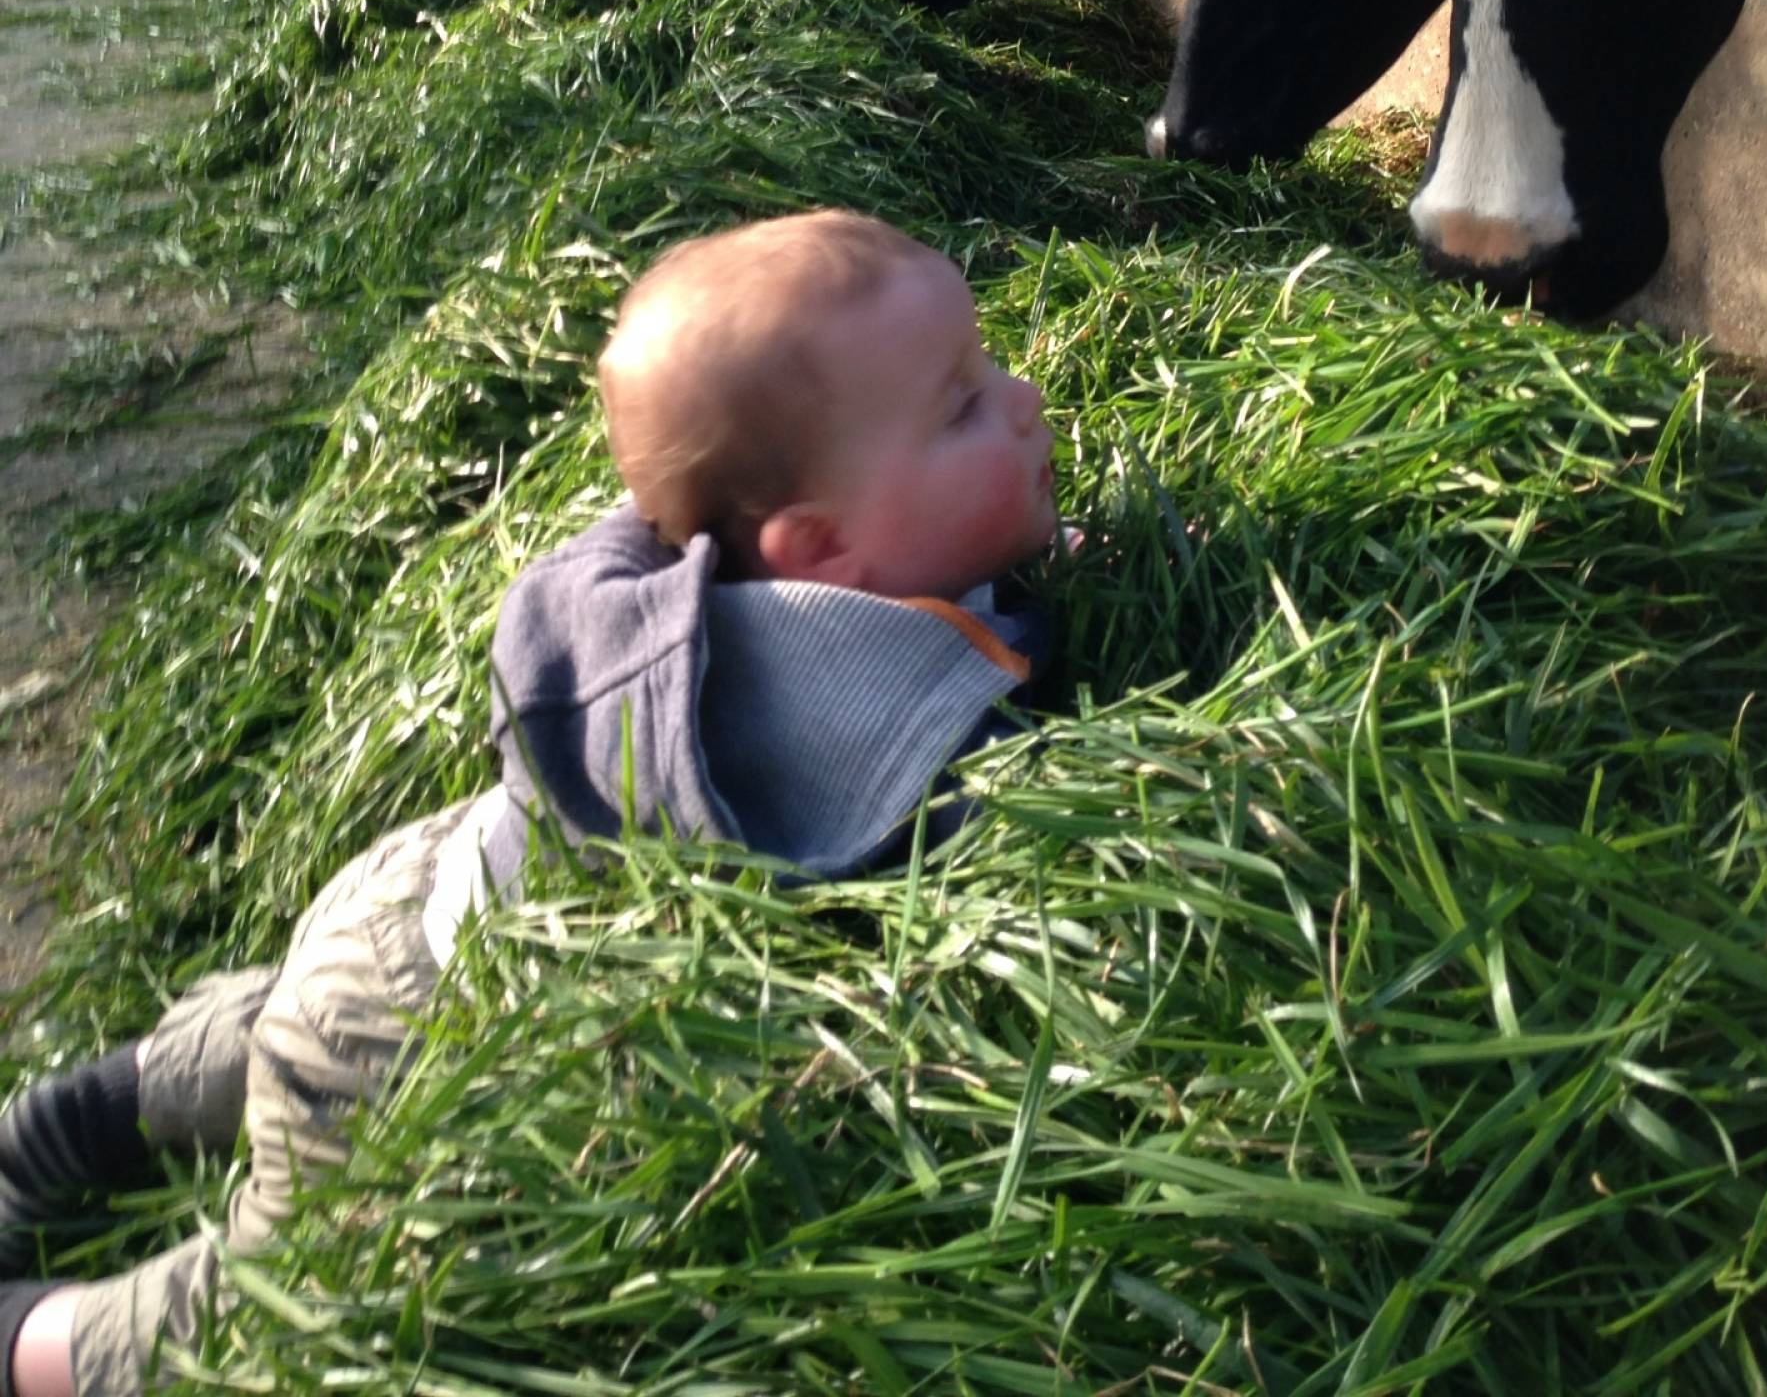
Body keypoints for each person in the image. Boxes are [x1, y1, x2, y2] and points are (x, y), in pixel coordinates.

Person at [0, 210, 1063, 1397]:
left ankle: (75, 1117)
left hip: (432, 885)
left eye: (988, 369)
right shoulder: (857, 738)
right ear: (816, 549)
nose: (1020, 398)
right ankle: (34, 1345)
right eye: (962, 405)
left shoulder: (692, 570)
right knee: (283, 1295)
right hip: (417, 1035)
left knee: (295, 1020)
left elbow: (666, 494)